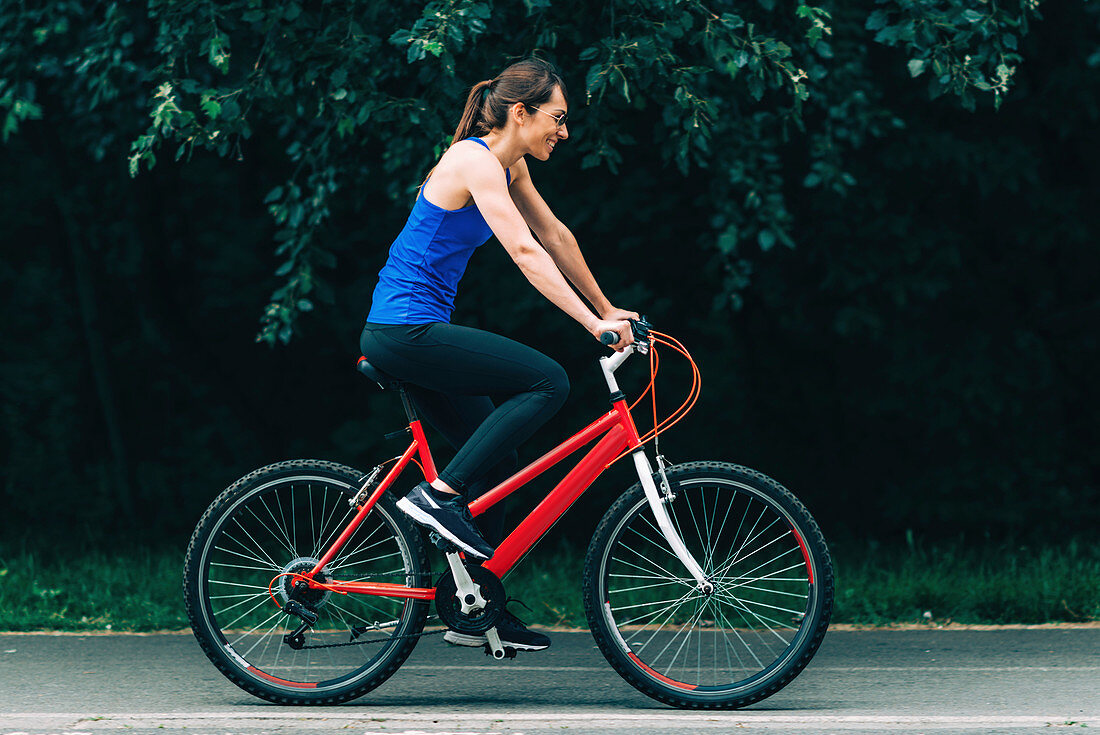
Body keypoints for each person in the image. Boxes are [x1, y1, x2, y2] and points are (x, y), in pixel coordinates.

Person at [359, 58, 637, 651]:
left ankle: (478, 605)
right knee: (547, 382)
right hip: (402, 330)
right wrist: (591, 325)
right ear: (521, 112)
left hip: (418, 331)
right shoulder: (472, 160)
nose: (565, 132)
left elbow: (555, 237)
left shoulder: (508, 168)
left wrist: (608, 309)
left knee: (505, 464)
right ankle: (438, 498)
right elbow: (524, 250)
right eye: (557, 119)